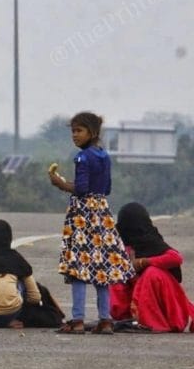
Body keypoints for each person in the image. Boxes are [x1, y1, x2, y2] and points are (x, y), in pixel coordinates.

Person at [48, 111, 134, 335]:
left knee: (79, 268)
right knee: (101, 268)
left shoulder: (82, 157)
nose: (74, 135)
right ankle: (105, 320)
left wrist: (59, 183)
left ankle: (77, 320)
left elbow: (81, 189)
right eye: (73, 131)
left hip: (82, 215)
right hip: (102, 213)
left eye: (79, 130)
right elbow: (107, 188)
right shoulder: (104, 155)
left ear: (92, 132)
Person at [111, 202, 194, 332]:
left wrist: (143, 262)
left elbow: (176, 258)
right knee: (114, 275)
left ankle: (150, 321)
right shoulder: (120, 244)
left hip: (162, 297)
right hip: (134, 295)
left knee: (152, 273)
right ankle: (128, 317)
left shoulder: (151, 241)